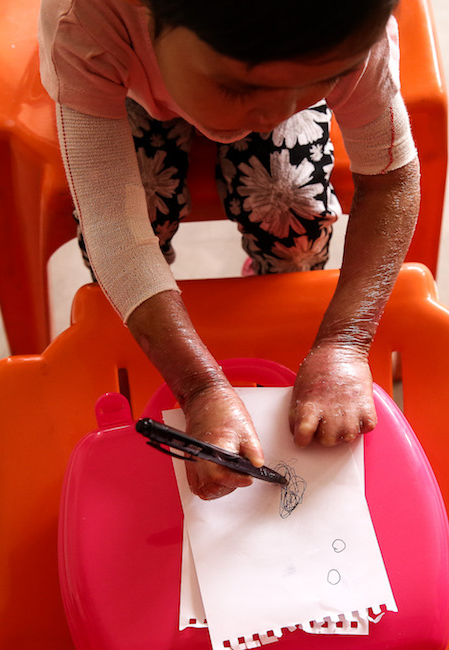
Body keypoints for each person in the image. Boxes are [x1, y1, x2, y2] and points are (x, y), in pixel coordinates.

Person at [39, 0, 420, 500]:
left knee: (294, 210)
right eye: (239, 88)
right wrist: (197, 388)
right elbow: (113, 221)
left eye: (324, 79)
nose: (273, 114)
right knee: (142, 214)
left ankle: (273, 295)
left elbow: (392, 181)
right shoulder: (89, 21)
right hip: (129, 86)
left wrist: (345, 342)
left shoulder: (344, 31)